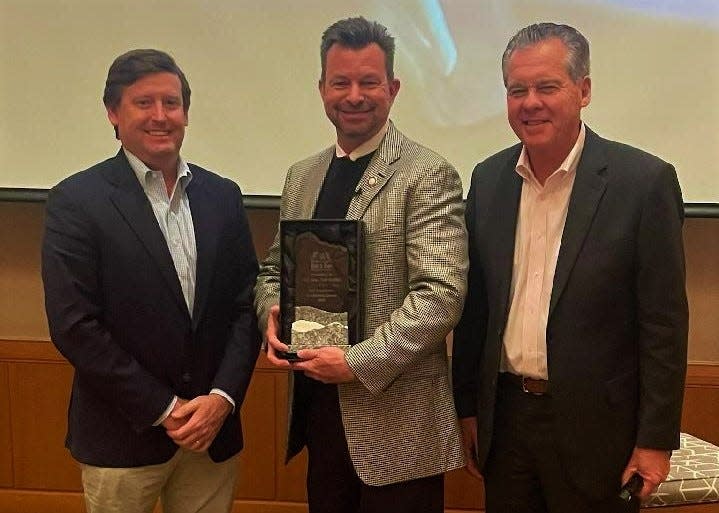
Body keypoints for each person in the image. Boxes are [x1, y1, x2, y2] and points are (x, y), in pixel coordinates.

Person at [452, 22, 688, 513]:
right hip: (507, 422)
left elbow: (663, 324)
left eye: (547, 87)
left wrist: (655, 439)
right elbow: (477, 308)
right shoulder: (489, 178)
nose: (530, 102)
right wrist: (469, 409)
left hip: (600, 434)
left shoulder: (643, 183)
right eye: (517, 90)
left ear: (583, 91)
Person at [254, 16, 467, 513]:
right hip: (319, 413)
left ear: (392, 88)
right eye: (340, 82)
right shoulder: (301, 176)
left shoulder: (427, 173)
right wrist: (270, 312)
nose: (354, 95)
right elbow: (271, 272)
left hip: (396, 427)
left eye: (369, 82)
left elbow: (440, 295)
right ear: (322, 89)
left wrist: (355, 362)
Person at [41, 49, 260, 513]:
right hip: (123, 437)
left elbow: (246, 306)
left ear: (185, 112)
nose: (161, 116)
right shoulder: (76, 201)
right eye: (144, 103)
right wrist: (165, 408)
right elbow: (74, 325)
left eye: (172, 103)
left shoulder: (222, 196)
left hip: (211, 434)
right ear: (113, 113)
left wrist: (222, 399)